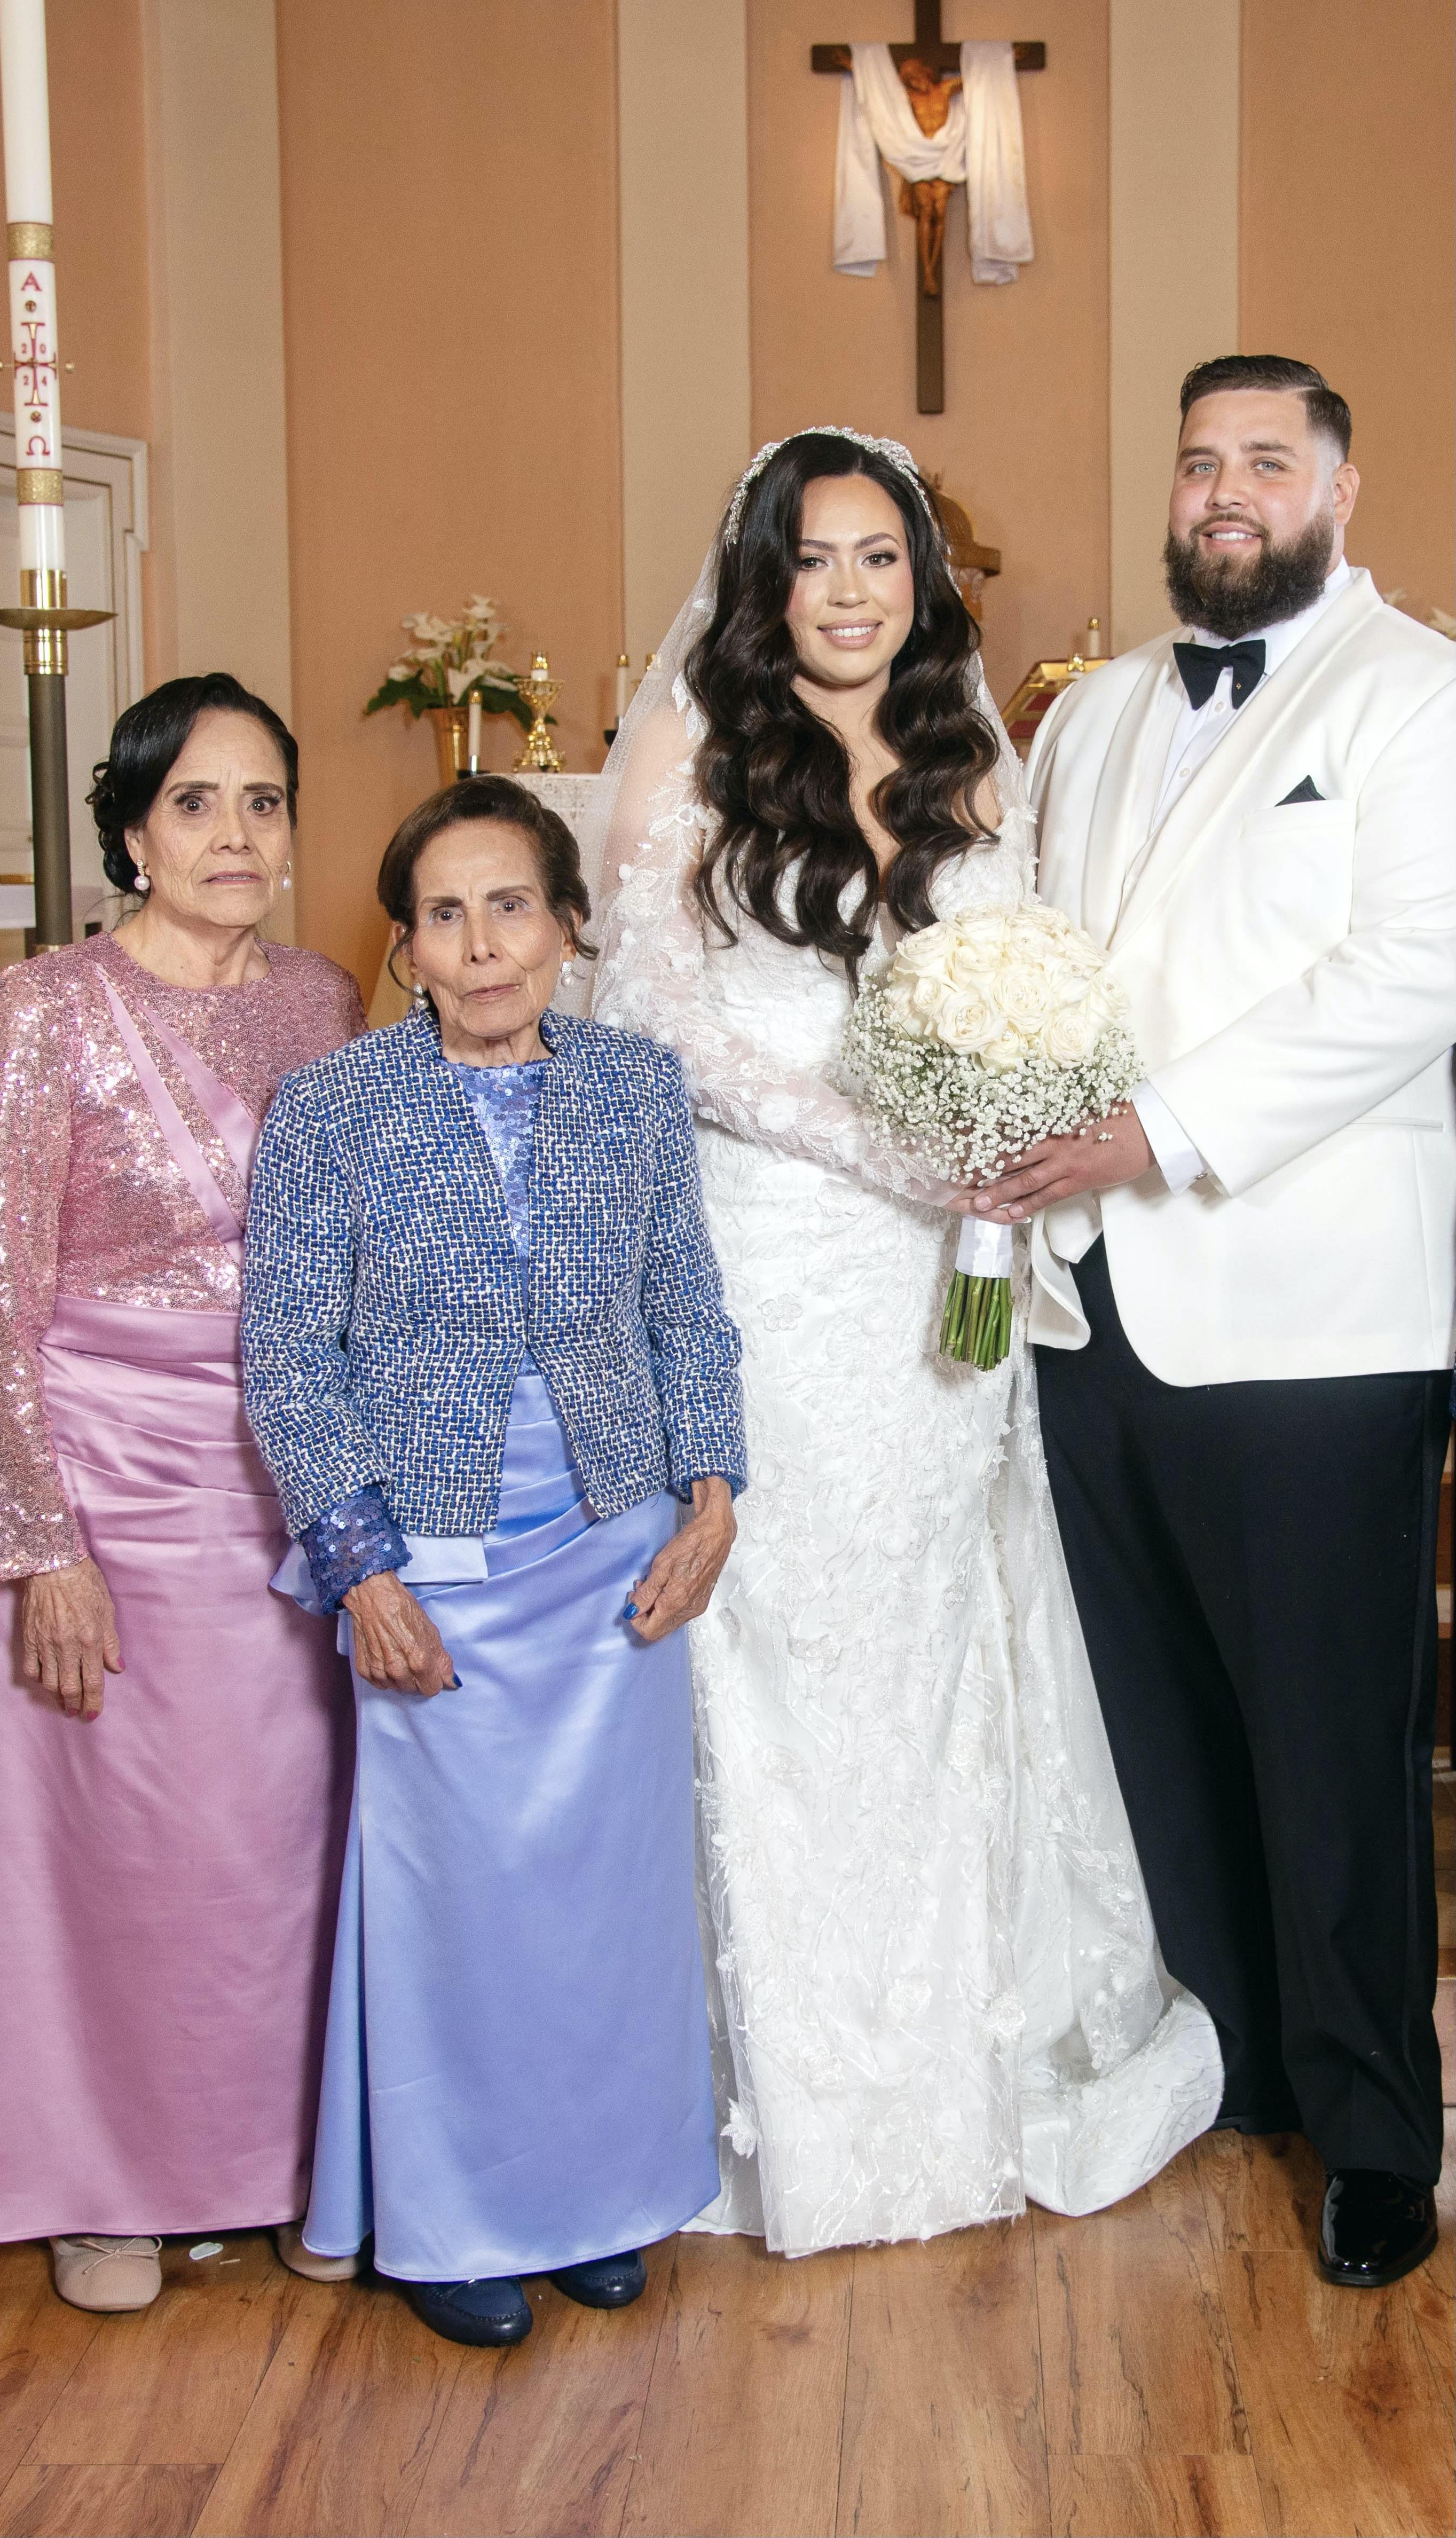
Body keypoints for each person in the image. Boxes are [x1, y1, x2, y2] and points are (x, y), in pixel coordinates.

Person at [589, 428, 1223, 2258]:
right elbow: (658, 1020)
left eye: (879, 556)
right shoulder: (692, 753)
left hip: (945, 1280)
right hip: (777, 1264)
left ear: (922, 581)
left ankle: (961, 2061)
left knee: (948, 1621)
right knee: (779, 1632)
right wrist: (891, 1146)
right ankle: (783, 2086)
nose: (850, 591)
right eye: (814, 559)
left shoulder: (972, 764)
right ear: (763, 582)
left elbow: (1035, 993)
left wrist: (999, 1136)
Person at [966, 355, 1456, 2290]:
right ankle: (1234, 2061)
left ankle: (1376, 2131)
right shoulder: (1090, 713)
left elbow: (1413, 973)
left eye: (1265, 460)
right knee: (1151, 1720)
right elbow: (1032, 956)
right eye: (1197, 463)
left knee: (1331, 1740)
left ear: (1338, 488)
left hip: (1311, 1312)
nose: (1224, 491)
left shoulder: (1416, 692)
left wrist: (1147, 1130)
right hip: (1091, 1307)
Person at [240, 774, 744, 2348]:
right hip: (428, 1559)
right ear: (404, 950)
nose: (480, 945)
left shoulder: (636, 1089)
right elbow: (287, 1357)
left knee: (601, 1900)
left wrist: (713, 1497)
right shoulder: (331, 1107)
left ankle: (592, 2195)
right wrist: (361, 1569)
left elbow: (686, 1307)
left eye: (510, 905)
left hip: (614, 1552)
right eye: (443, 916)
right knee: (454, 1903)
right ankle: (453, 2219)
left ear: (567, 924)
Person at [0, 673, 362, 2312]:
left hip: (285, 1480)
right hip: (105, 1485)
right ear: (130, 832)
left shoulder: (326, 1001)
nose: (234, 833)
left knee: (281, 1845)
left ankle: (291, 2162)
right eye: (194, 801)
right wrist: (37, 1544)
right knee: (115, 1845)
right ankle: (99, 2181)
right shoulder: (46, 1007)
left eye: (262, 800)